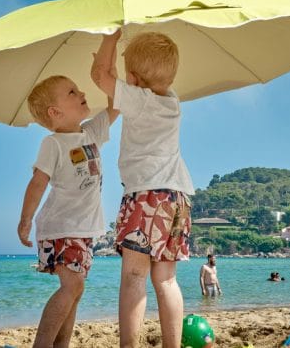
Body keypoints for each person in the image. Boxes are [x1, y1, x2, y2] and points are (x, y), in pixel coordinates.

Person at [91, 30, 194, 348]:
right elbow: (114, 86)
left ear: (133, 78)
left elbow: (99, 75)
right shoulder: (172, 101)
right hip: (177, 198)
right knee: (167, 279)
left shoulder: (138, 100)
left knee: (134, 276)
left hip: (146, 197)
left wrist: (109, 39)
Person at [17, 74, 117, 348]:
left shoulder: (91, 133)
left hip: (84, 230)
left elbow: (116, 105)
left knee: (76, 291)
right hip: (62, 226)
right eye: (72, 92)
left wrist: (111, 78)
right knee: (72, 287)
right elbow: (38, 183)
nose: (81, 92)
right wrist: (25, 220)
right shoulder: (53, 144)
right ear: (55, 112)